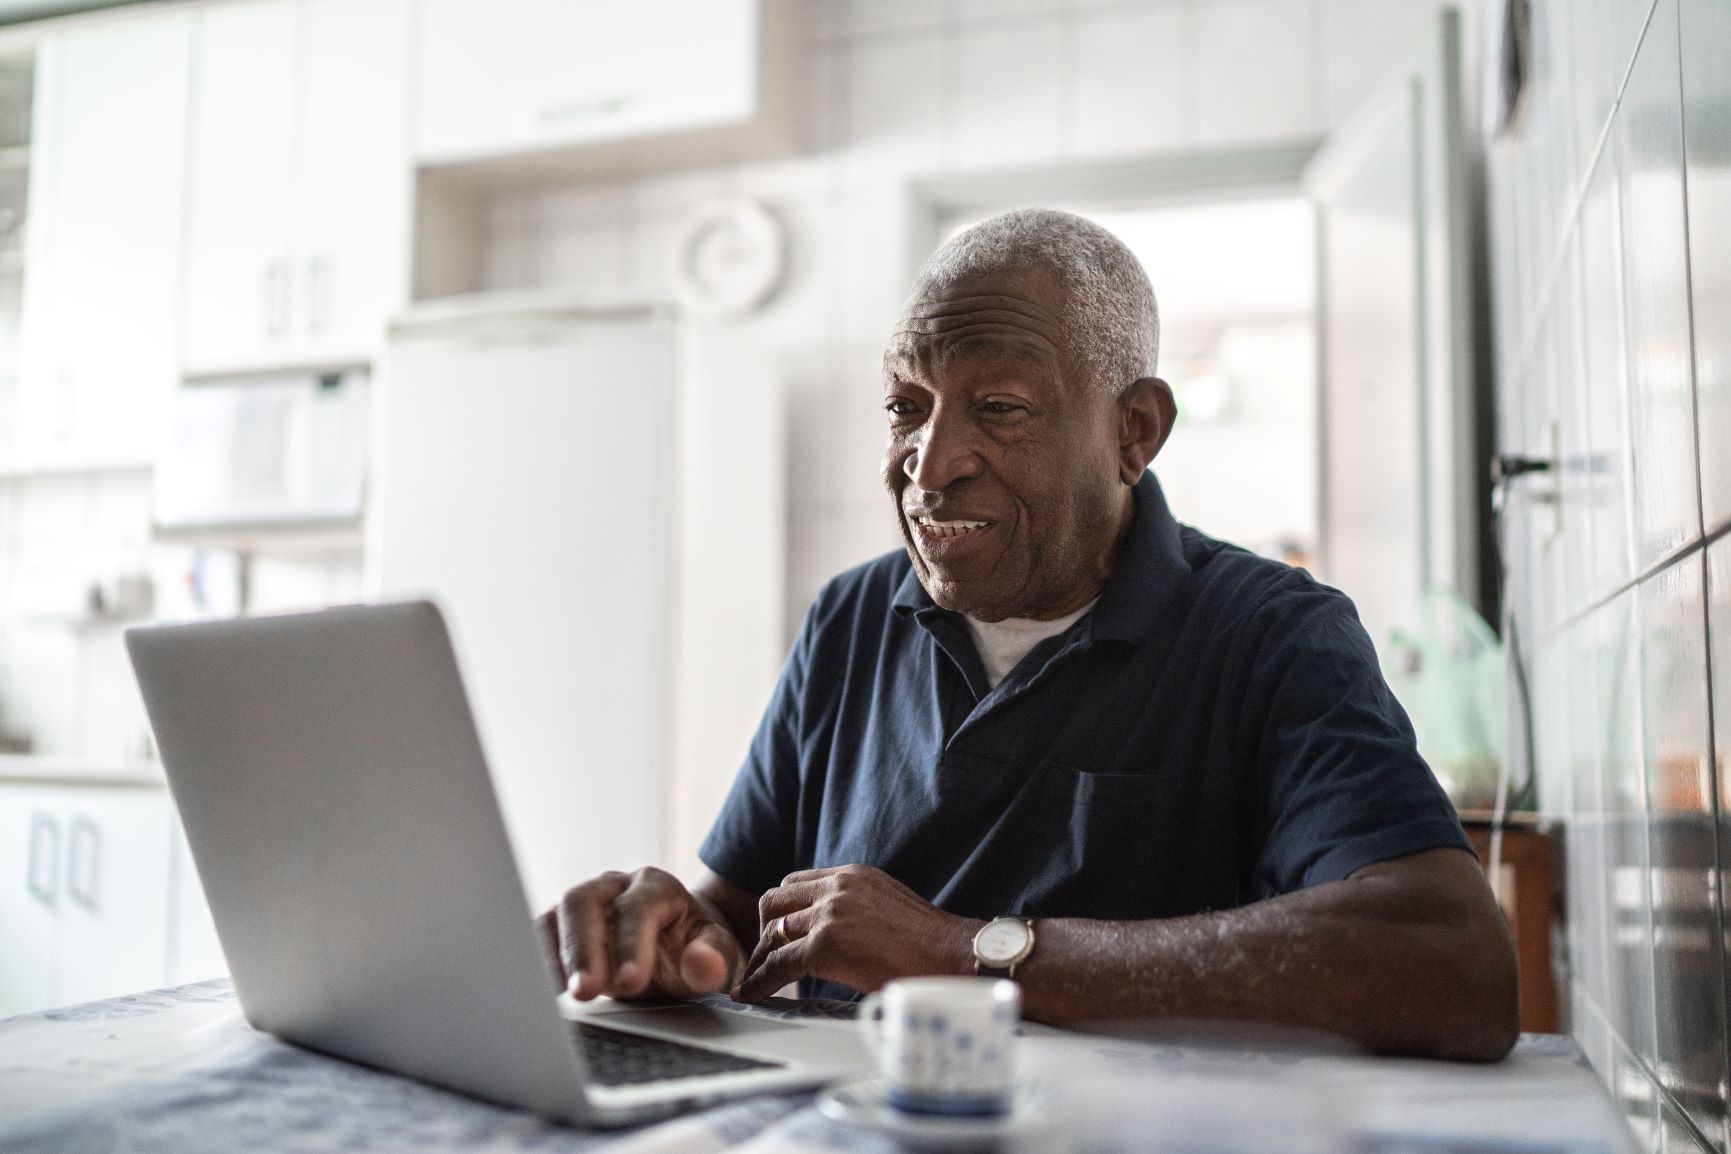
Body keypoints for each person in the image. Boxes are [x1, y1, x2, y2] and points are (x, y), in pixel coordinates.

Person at [538, 208, 1519, 1062]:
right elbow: (740, 918)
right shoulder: (849, 617)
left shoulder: (1274, 635)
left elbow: (1453, 960)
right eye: (905, 407)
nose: (929, 464)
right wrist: (672, 942)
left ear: (1134, 431)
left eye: (998, 408)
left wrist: (967, 951)